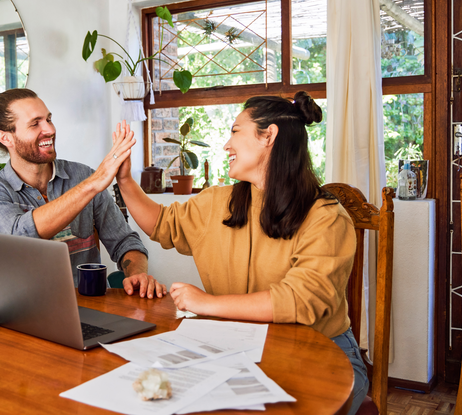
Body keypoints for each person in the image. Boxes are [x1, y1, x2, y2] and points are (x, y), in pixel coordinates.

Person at [112, 91, 368, 414]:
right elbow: (162, 223)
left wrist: (205, 303)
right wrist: (124, 179)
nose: (226, 145)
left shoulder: (327, 218)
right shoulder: (218, 202)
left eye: (235, 131)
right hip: (239, 346)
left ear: (268, 136)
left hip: (325, 354)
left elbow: (300, 301)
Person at [0, 88, 166, 298]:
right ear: (5, 138)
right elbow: (19, 234)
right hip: (24, 314)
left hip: (91, 307)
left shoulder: (82, 176)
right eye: (35, 123)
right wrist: (93, 184)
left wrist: (137, 274)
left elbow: (125, 242)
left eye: (49, 119)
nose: (49, 129)